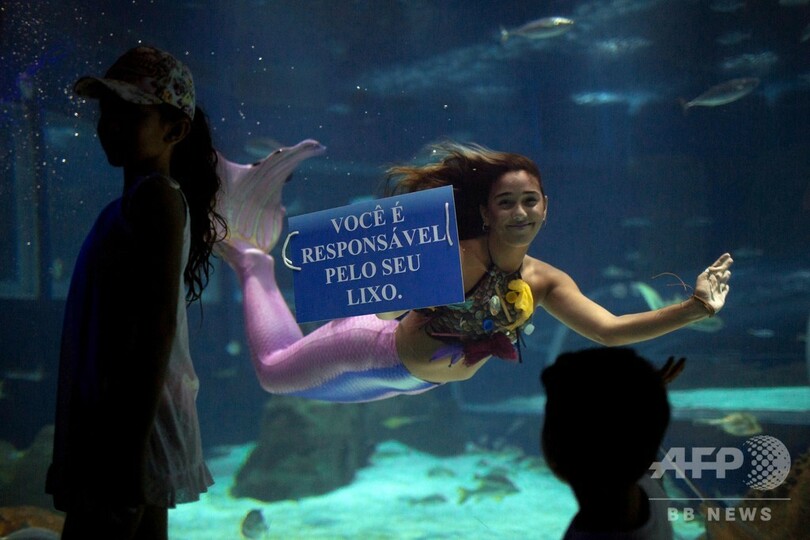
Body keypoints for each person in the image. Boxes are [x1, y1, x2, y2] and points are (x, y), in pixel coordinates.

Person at [215, 142, 732, 402]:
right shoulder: (452, 255)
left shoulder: (545, 280)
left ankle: (253, 261)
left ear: (546, 207)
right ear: (486, 212)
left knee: (293, 384)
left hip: (418, 383)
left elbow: (609, 330)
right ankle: (252, 263)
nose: (520, 212)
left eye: (530, 201)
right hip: (368, 347)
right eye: (506, 202)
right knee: (272, 374)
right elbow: (384, 311)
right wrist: (404, 281)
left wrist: (695, 308)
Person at [46, 46, 224, 539]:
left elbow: (156, 329)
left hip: (129, 424)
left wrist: (127, 449)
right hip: (131, 421)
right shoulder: (138, 201)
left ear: (175, 129)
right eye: (108, 111)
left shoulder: (156, 199)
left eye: (131, 113)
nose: (111, 125)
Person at [540, 347, 677, 540]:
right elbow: (641, 439)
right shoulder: (652, 494)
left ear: (555, 451)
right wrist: (644, 396)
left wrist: (646, 395)